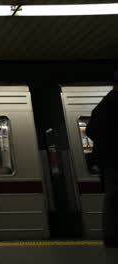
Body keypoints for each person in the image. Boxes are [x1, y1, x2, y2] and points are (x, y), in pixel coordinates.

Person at [86, 75, 118, 248]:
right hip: (114, 159)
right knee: (114, 198)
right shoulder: (113, 104)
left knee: (113, 198)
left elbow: (90, 131)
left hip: (108, 159)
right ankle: (112, 236)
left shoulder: (103, 105)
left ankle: (112, 236)